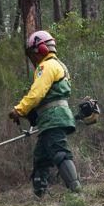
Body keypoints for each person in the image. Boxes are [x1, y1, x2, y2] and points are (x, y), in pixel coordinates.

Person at [9, 30, 82, 196]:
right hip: (53, 117)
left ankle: (76, 192)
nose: (33, 58)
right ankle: (40, 194)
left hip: (53, 117)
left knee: (59, 151)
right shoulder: (60, 65)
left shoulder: (46, 66)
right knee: (41, 156)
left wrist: (19, 110)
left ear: (40, 49)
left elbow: (37, 93)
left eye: (32, 53)